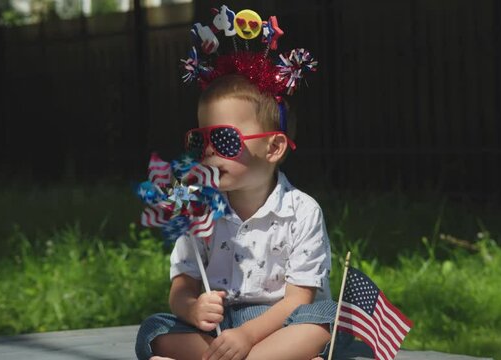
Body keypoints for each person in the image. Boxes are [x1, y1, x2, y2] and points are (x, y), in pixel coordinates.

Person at [135, 72, 356, 360]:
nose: (209, 151)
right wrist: (191, 308)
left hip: (280, 324)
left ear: (273, 147)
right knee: (154, 331)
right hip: (220, 328)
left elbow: (299, 299)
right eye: (199, 142)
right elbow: (182, 285)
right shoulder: (199, 209)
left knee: (326, 321)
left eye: (225, 139)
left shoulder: (302, 211)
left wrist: (247, 337)